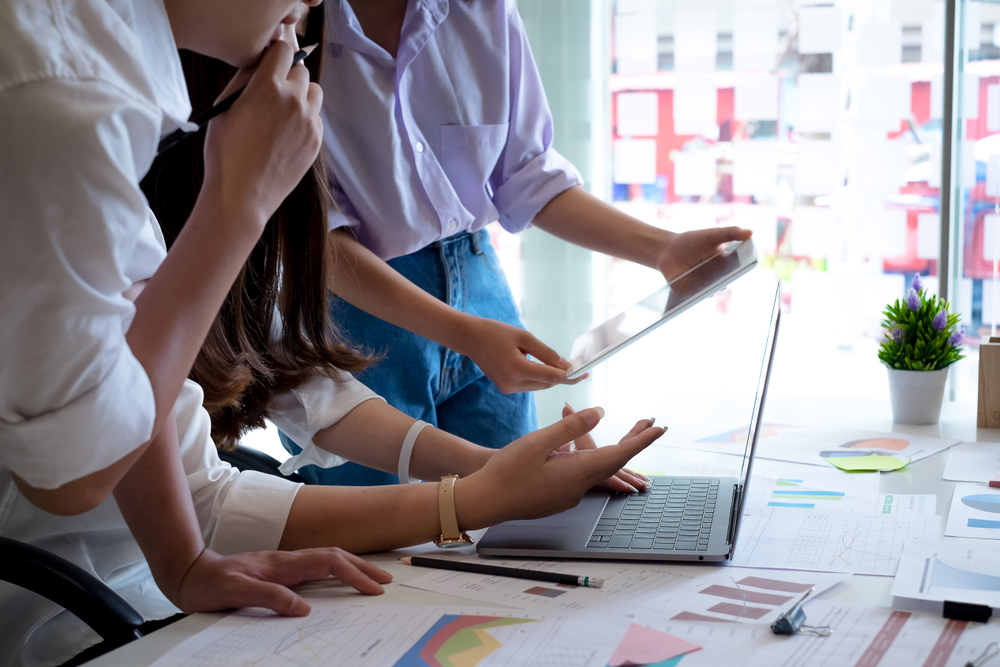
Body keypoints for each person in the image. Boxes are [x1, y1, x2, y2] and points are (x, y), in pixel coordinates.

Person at [0, 2, 661, 663]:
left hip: (153, 596)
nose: (318, 6)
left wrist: (488, 474)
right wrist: (467, 500)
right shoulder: (70, 101)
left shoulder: (135, 132)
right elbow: (91, 472)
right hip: (74, 619)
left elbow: (295, 379)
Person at [279, 0, 752, 486]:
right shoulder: (284, 25)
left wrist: (663, 249)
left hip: (480, 284)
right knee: (386, 542)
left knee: (518, 515)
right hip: (353, 309)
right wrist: (464, 333)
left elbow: (526, 174)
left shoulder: (484, 10)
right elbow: (308, 240)